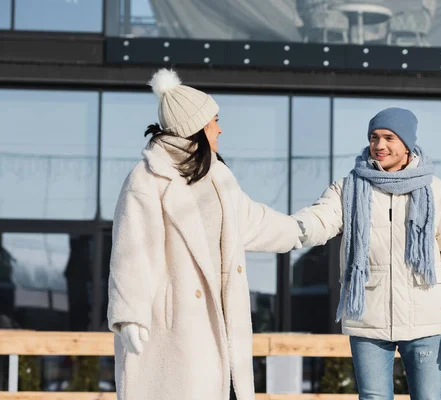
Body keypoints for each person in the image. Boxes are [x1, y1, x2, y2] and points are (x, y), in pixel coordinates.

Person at [107, 68, 302, 400]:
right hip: (175, 330)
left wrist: (303, 228)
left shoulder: (219, 177)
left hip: (222, 330)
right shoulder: (147, 178)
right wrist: (129, 315)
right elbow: (132, 249)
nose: (220, 128)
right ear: (194, 127)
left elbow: (253, 222)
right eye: (214, 121)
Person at [293, 107, 441, 400]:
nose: (379, 145)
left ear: (406, 144)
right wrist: (286, 229)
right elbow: (319, 220)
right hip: (368, 318)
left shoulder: (436, 192)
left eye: (389, 138)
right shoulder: (349, 189)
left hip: (423, 320)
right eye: (374, 137)